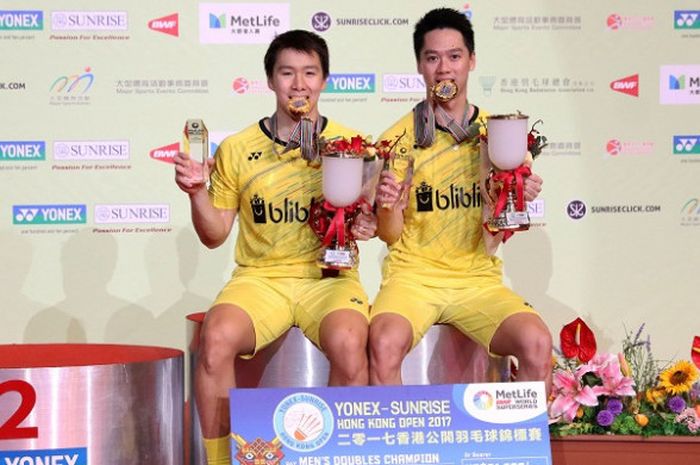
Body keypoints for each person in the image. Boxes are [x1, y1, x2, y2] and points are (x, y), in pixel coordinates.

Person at [174, 30, 376, 465]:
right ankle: (218, 460)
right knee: (215, 339)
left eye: (309, 72)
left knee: (349, 342)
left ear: (324, 80)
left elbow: (372, 223)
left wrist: (368, 221)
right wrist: (196, 193)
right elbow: (214, 234)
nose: (298, 84)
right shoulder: (237, 148)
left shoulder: (354, 147)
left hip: (330, 279)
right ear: (270, 80)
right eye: (287, 73)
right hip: (260, 280)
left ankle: (338, 457)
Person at [369, 8, 552, 391]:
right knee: (384, 344)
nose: (444, 68)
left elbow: (503, 221)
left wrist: (518, 193)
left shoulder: (500, 133)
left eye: (454, 56)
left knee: (537, 343)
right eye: (432, 58)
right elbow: (389, 235)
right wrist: (390, 206)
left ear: (471, 60)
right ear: (420, 65)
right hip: (413, 279)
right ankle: (401, 451)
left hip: (477, 281)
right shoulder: (396, 139)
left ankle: (515, 452)